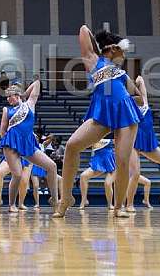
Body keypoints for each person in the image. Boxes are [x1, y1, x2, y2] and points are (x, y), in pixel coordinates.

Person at [54, 26, 140, 219]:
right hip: (102, 112)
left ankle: (119, 207)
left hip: (125, 113)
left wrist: (131, 99)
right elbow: (83, 30)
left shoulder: (121, 73)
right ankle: (66, 198)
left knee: (122, 161)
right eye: (121, 50)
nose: (124, 55)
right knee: (72, 145)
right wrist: (104, 42)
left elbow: (139, 97)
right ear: (112, 49)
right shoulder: (94, 61)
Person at [0, 79, 60, 214]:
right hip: (11, 143)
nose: (9, 98)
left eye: (11, 95)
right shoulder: (7, 110)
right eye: (7, 96)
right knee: (17, 174)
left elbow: (37, 83)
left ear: (18, 95)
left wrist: (24, 94)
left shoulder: (29, 104)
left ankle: (55, 200)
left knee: (52, 166)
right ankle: (11, 205)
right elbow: (3, 131)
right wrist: (9, 144)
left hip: (28, 143)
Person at [129, 75, 160, 212]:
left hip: (148, 142)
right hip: (132, 143)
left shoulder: (144, 102)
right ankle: (129, 204)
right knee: (135, 174)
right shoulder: (127, 105)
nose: (138, 92)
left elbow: (142, 86)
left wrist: (140, 80)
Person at [79, 139, 115, 209]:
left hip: (111, 161)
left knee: (107, 184)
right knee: (83, 176)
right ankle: (84, 201)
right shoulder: (93, 136)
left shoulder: (111, 133)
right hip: (98, 160)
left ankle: (110, 204)